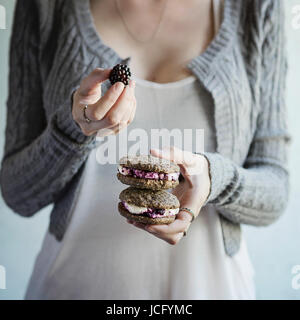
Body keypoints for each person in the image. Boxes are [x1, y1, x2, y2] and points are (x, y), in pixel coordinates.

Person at [0, 0, 289, 299]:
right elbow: (18, 194)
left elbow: (276, 187)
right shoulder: (45, 6)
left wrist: (214, 179)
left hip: (212, 286)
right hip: (73, 284)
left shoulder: (257, 7)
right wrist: (73, 130)